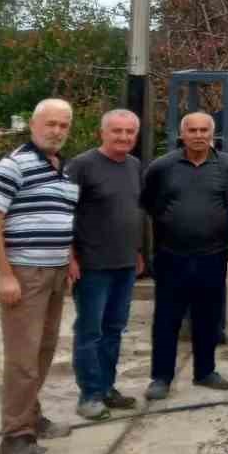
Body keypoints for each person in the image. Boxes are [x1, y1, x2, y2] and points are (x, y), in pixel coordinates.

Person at [0, 98, 81, 454]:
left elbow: (62, 220)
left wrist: (69, 259)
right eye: (50, 124)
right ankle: (15, 437)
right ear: (34, 125)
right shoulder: (13, 165)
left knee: (43, 351)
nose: (56, 131)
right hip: (26, 273)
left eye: (63, 125)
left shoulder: (64, 170)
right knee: (23, 356)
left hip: (55, 273)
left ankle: (31, 416)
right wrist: (5, 275)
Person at [142, 111, 228, 399]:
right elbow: (149, 206)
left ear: (213, 134)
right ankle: (161, 377)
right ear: (182, 134)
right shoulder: (161, 167)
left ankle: (205, 371)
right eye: (193, 130)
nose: (198, 135)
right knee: (166, 319)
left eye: (204, 130)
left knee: (208, 318)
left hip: (213, 256)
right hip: (170, 256)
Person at [65, 109, 146, 421]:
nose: (124, 137)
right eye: (117, 131)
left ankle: (107, 387)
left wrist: (137, 251)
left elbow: (133, 212)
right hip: (92, 266)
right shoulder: (82, 166)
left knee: (114, 329)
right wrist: (70, 256)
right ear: (103, 133)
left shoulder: (134, 166)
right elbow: (65, 212)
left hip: (124, 263)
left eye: (129, 132)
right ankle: (89, 395)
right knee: (90, 331)